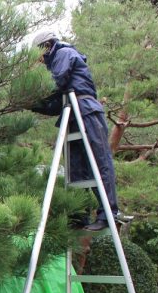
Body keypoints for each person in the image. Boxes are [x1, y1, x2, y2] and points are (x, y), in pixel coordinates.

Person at [31, 31, 119, 232]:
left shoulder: (63, 53)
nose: (38, 60)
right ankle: (79, 215)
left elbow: (57, 81)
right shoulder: (55, 63)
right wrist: (29, 104)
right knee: (75, 169)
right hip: (70, 114)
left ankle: (108, 213)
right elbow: (54, 105)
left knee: (99, 162)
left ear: (46, 47)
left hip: (86, 110)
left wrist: (33, 90)